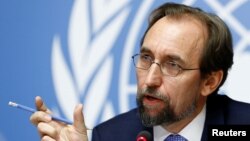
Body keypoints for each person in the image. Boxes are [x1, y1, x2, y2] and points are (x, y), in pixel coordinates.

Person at [30, 2, 250, 141]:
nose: (151, 80)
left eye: (172, 64)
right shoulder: (109, 136)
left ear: (209, 82)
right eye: (146, 58)